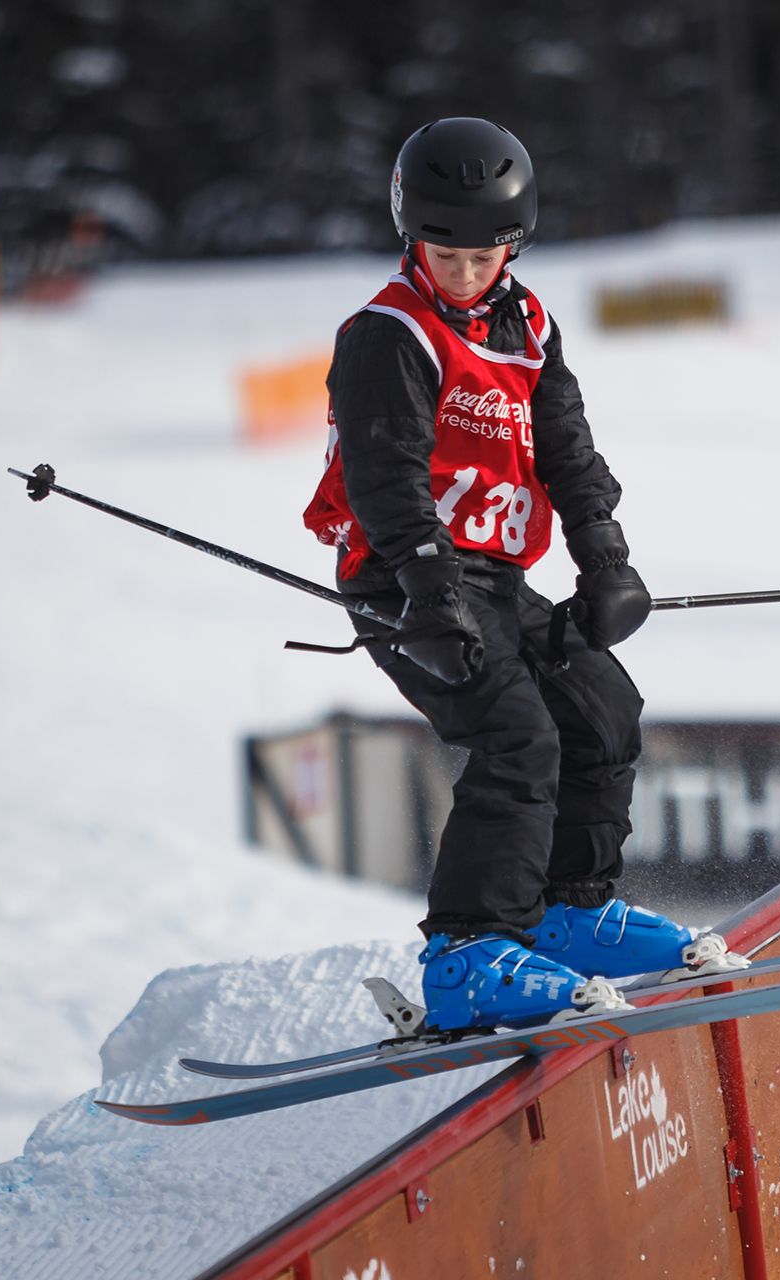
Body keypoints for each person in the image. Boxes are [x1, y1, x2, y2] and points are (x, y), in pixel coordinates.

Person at [303, 118, 737, 1031]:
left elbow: (568, 451)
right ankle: (467, 952)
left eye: (485, 254)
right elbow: (386, 479)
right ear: (410, 235)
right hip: (403, 581)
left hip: (494, 577)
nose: (466, 273)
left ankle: (564, 914)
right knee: (517, 737)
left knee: (603, 710)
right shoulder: (389, 334)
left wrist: (605, 561)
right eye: (446, 254)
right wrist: (427, 595)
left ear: (515, 243)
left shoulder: (528, 325)